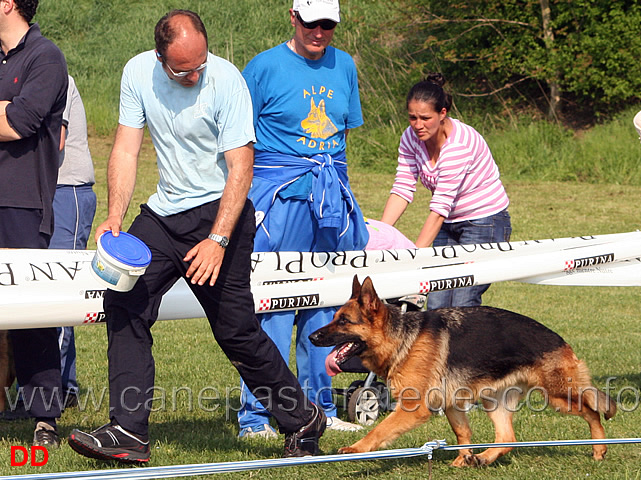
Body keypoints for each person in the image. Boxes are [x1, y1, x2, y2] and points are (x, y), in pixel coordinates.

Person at [67, 10, 326, 464]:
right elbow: (127, 146)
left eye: (200, 64)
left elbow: (241, 167)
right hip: (165, 215)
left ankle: (302, 419)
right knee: (124, 302)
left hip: (221, 213)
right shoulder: (136, 73)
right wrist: (113, 215)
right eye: (183, 69)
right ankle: (128, 431)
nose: (194, 75)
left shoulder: (226, 81)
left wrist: (218, 240)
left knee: (236, 332)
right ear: (159, 57)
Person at [237, 0, 369, 439]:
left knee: (326, 307)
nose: (319, 32)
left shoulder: (344, 65)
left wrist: (344, 198)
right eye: (312, 23)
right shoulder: (262, 67)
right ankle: (257, 417)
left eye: (328, 25)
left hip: (328, 203)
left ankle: (321, 408)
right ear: (293, 17)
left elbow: (342, 139)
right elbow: (240, 140)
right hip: (278, 205)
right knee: (271, 308)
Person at [381, 73, 511, 309]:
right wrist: (381, 236)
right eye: (412, 117)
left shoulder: (458, 146)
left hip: (485, 222)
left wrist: (414, 259)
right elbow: (402, 187)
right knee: (438, 304)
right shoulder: (410, 138)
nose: (417, 125)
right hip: (448, 222)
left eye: (425, 118)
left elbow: (440, 207)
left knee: (463, 302)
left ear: (443, 113)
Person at [0, 0, 68, 448]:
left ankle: (45, 415)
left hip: (21, 204)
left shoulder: (45, 56)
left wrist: (10, 112)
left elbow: (21, 122)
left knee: (30, 314)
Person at [50, 74, 97, 409]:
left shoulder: (49, 70)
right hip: (34, 195)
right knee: (32, 294)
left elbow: (55, 137)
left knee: (56, 295)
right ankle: (61, 388)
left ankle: (48, 393)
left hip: (68, 191)